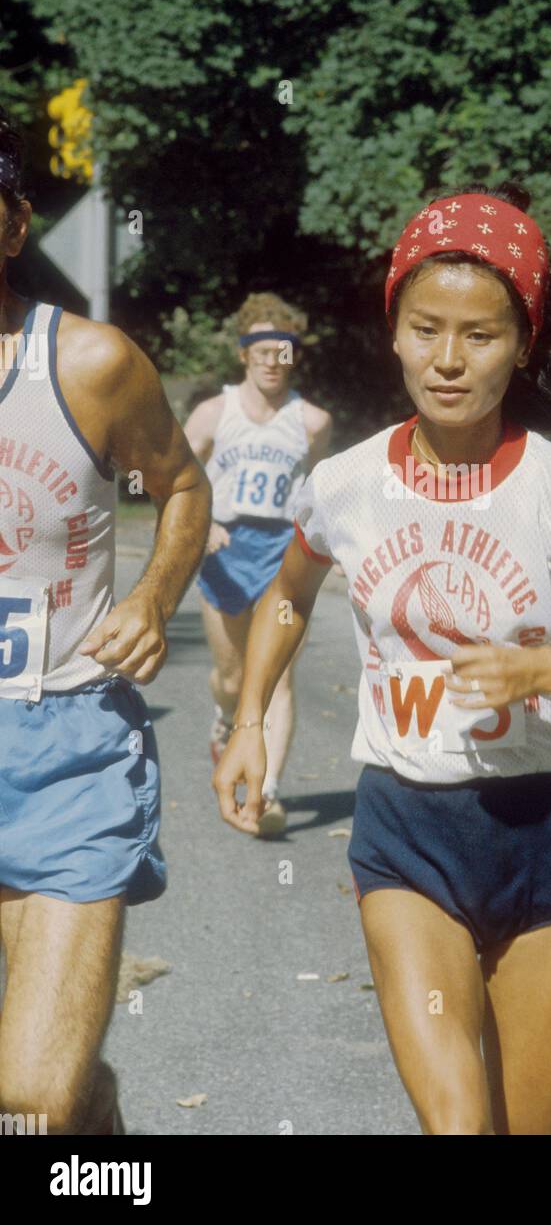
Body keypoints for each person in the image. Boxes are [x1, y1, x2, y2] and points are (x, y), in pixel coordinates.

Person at [213, 180, 551, 1135]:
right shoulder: (344, 484)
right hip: (406, 830)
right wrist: (246, 723)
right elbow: (287, 595)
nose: (447, 360)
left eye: (479, 336)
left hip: (546, 830)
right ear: (393, 330)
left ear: (521, 344)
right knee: (457, 1126)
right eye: (424, 328)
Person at [0, 107, 211, 1133]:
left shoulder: (89, 365)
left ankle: (76, 1102)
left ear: (12, 227)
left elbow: (181, 487)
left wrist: (152, 598)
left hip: (65, 744)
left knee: (29, 1104)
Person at [184, 293, 332, 836]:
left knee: (275, 679)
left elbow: (319, 491)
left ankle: (264, 794)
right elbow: (176, 476)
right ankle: (226, 720)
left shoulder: (312, 422)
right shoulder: (213, 413)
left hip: (282, 553)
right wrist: (203, 522)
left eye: (284, 351)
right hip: (224, 551)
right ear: (244, 354)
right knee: (231, 677)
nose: (273, 360)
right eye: (262, 350)